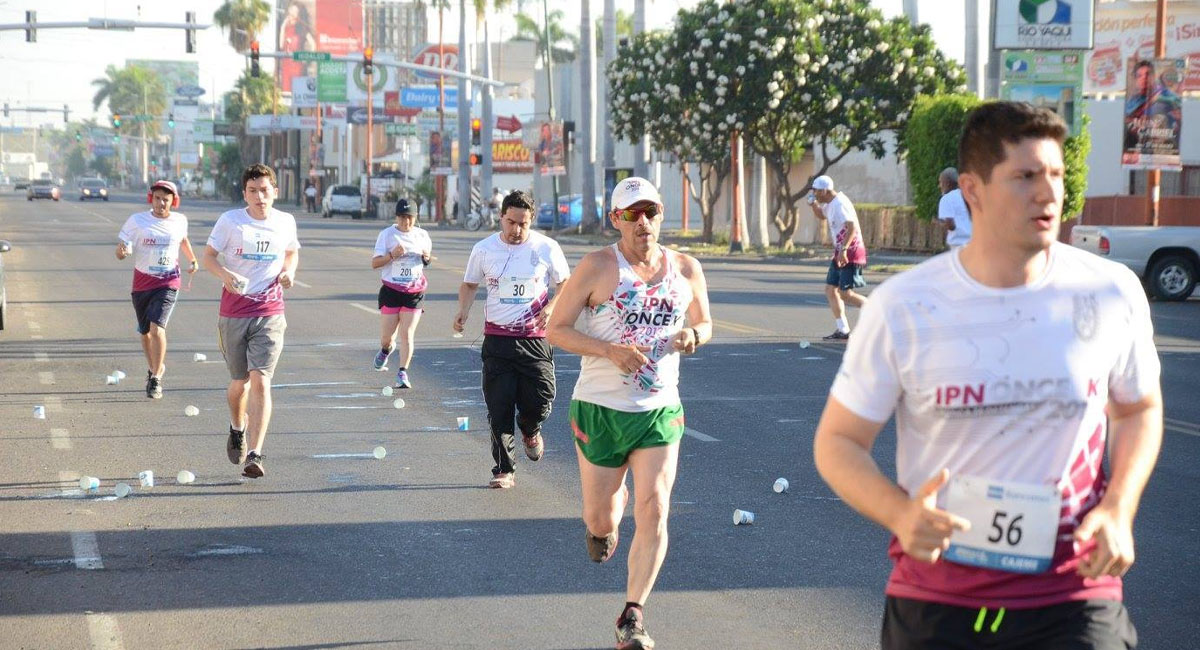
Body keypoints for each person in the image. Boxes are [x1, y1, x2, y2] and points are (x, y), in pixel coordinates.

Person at [813, 101, 1162, 650]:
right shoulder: (905, 305)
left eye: (1055, 174)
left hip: (1073, 595)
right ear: (972, 191)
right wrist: (901, 514)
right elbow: (838, 442)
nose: (1048, 193)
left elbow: (1138, 407)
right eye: (1025, 176)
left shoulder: (1110, 291)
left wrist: (1120, 507)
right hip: (938, 598)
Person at [547, 176, 712, 650]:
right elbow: (556, 329)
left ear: (661, 216)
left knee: (656, 507)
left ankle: (632, 614)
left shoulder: (686, 268)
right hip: (601, 409)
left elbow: (704, 320)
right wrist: (608, 350)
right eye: (632, 214)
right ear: (615, 219)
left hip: (659, 409)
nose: (643, 222)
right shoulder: (598, 267)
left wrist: (693, 336)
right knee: (601, 519)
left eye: (651, 212)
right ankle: (605, 525)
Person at [453, 190, 570, 489]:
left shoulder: (546, 247)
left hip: (536, 339)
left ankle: (530, 428)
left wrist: (553, 306)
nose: (517, 230)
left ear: (530, 222)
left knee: (542, 399)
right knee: (499, 408)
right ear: (501, 218)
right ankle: (504, 469)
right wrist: (463, 312)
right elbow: (469, 284)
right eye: (511, 222)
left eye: (523, 224)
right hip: (498, 341)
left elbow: (565, 282)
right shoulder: (484, 249)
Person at [202, 164, 301, 479]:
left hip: (270, 311)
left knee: (261, 380)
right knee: (238, 384)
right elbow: (208, 257)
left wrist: (289, 272)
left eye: (265, 190)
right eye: (253, 191)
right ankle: (237, 427)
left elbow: (291, 252)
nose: (260, 197)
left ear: (275, 191)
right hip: (233, 313)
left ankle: (256, 454)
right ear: (245, 194)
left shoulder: (285, 221)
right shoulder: (231, 221)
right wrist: (225, 274)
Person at [115, 180, 198, 399]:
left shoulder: (179, 220)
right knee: (144, 333)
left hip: (168, 280)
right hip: (142, 283)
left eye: (166, 199)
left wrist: (192, 259)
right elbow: (121, 250)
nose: (162, 203)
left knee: (157, 329)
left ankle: (155, 378)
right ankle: (154, 368)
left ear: (174, 201)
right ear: (151, 199)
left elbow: (183, 240)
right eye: (158, 198)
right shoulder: (137, 221)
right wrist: (122, 253)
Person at [371, 198, 432, 388]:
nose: (406, 222)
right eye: (402, 218)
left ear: (415, 218)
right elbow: (375, 263)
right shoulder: (387, 235)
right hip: (391, 290)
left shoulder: (422, 235)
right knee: (387, 338)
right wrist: (392, 256)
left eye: (410, 218)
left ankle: (402, 373)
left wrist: (426, 258)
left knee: (407, 333)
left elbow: (426, 261)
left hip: (414, 292)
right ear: (397, 217)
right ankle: (385, 350)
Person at [809, 175, 868, 341]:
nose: (814, 194)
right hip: (840, 251)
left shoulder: (840, 203)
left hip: (851, 252)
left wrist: (845, 249)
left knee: (845, 293)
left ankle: (874, 310)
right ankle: (843, 330)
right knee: (830, 289)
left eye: (816, 191)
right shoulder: (830, 204)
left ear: (824, 190)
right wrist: (813, 204)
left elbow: (852, 227)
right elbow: (821, 215)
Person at [936, 167, 972, 249]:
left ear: (947, 183)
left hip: (958, 245)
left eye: (941, 182)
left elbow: (951, 226)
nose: (939, 186)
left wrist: (940, 223)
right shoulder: (968, 195)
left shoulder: (946, 199)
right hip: (973, 242)